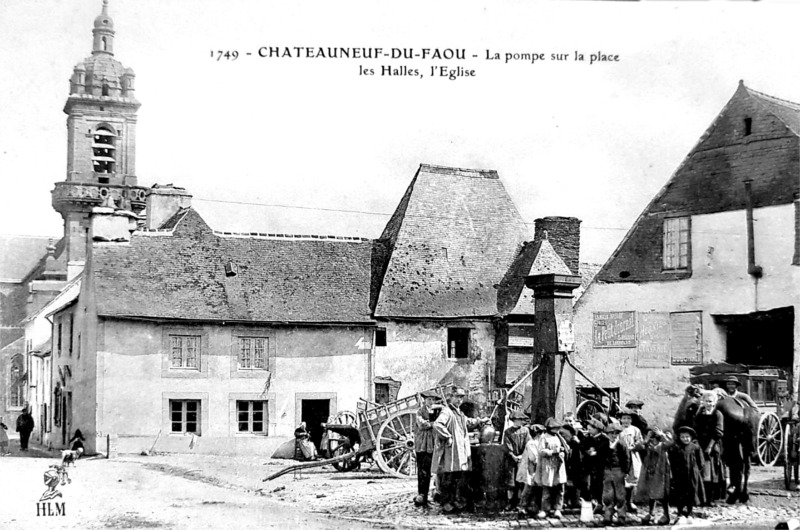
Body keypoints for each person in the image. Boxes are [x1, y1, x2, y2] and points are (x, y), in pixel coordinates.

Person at [432, 386, 487, 513]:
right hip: (452, 451)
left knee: (458, 477)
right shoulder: (447, 411)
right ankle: (446, 502)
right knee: (449, 477)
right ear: (451, 397)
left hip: (460, 450)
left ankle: (456, 501)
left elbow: (467, 422)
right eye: (456, 397)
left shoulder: (459, 412)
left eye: (461, 398)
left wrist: (480, 421)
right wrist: (448, 436)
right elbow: (437, 425)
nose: (459, 400)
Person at [635, 427, 672, 525]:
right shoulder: (648, 445)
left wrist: (662, 435)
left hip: (661, 473)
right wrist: (646, 439)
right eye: (652, 440)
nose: (653, 442)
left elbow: (670, 443)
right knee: (651, 494)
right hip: (650, 473)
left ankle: (666, 515)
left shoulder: (662, 446)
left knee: (663, 494)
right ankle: (651, 514)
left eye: (654, 440)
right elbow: (637, 447)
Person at [694, 390, 725, 504]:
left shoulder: (718, 414)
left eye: (711, 401)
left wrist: (710, 447)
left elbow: (718, 432)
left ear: (715, 402)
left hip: (713, 445)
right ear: (703, 402)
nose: (708, 404)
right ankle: (701, 498)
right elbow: (695, 428)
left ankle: (710, 499)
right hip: (700, 444)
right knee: (702, 471)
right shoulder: (700, 414)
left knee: (711, 473)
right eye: (706, 401)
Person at [669, 425, 705, 524]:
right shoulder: (676, 448)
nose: (685, 439)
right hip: (679, 475)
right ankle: (680, 513)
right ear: (679, 438)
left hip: (692, 475)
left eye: (687, 437)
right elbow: (672, 461)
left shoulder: (695, 447)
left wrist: (697, 471)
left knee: (691, 493)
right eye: (683, 437)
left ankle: (689, 513)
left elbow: (701, 462)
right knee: (680, 493)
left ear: (691, 437)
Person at [534, 418, 568, 519]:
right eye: (555, 428)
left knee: (560, 489)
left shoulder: (559, 437)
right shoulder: (544, 437)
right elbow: (541, 451)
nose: (557, 429)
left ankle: (558, 509)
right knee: (547, 488)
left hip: (559, 465)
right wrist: (552, 452)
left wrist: (562, 451)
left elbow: (566, 447)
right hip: (548, 465)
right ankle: (545, 509)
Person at [414, 390, 441, 507]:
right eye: (429, 399)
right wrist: (434, 424)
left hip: (432, 444)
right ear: (424, 400)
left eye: (432, 400)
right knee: (422, 471)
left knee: (431, 470)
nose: (431, 402)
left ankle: (432, 492)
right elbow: (422, 425)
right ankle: (422, 494)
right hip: (422, 445)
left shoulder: (437, 412)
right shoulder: (419, 412)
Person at [601, 422, 631, 525]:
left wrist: (626, 471)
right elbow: (601, 458)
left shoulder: (622, 445)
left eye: (616, 433)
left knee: (620, 495)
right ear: (607, 434)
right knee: (608, 495)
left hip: (619, 471)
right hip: (607, 471)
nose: (614, 436)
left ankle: (621, 517)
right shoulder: (604, 445)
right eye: (611, 433)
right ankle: (608, 516)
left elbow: (627, 459)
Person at [503, 410, 531, 510]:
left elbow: (528, 444)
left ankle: (520, 503)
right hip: (511, 460)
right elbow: (507, 446)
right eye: (519, 420)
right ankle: (510, 502)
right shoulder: (508, 432)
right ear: (514, 420)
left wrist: (522, 456)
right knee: (511, 482)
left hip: (522, 460)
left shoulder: (525, 431)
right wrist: (513, 455)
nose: (521, 422)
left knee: (521, 482)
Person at [619, 410, 644, 513]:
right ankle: (621, 502)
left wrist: (634, 446)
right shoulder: (618, 429)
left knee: (633, 479)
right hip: (621, 456)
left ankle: (630, 501)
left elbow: (640, 442)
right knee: (620, 479)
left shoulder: (635, 430)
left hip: (632, 456)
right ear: (620, 419)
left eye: (628, 418)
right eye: (624, 418)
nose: (626, 421)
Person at [580, 417, 606, 511]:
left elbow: (605, 452)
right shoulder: (587, 438)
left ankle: (599, 502)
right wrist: (587, 451)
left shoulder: (604, 439)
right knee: (588, 484)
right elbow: (582, 447)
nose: (589, 429)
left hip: (599, 466)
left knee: (598, 484)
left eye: (591, 427)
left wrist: (596, 453)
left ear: (597, 429)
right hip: (588, 465)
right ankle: (590, 501)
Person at [518, 424, 544, 515]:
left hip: (535, 469)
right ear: (538, 434)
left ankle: (532, 507)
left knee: (534, 488)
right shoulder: (532, 443)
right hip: (530, 470)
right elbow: (533, 458)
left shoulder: (538, 442)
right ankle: (522, 507)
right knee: (528, 488)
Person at [559, 422, 583, 510]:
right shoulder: (561, 444)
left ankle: (575, 501)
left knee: (574, 485)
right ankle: (564, 501)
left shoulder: (576, 445)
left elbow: (578, 459)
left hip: (574, 469)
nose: (563, 437)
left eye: (564, 435)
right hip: (563, 468)